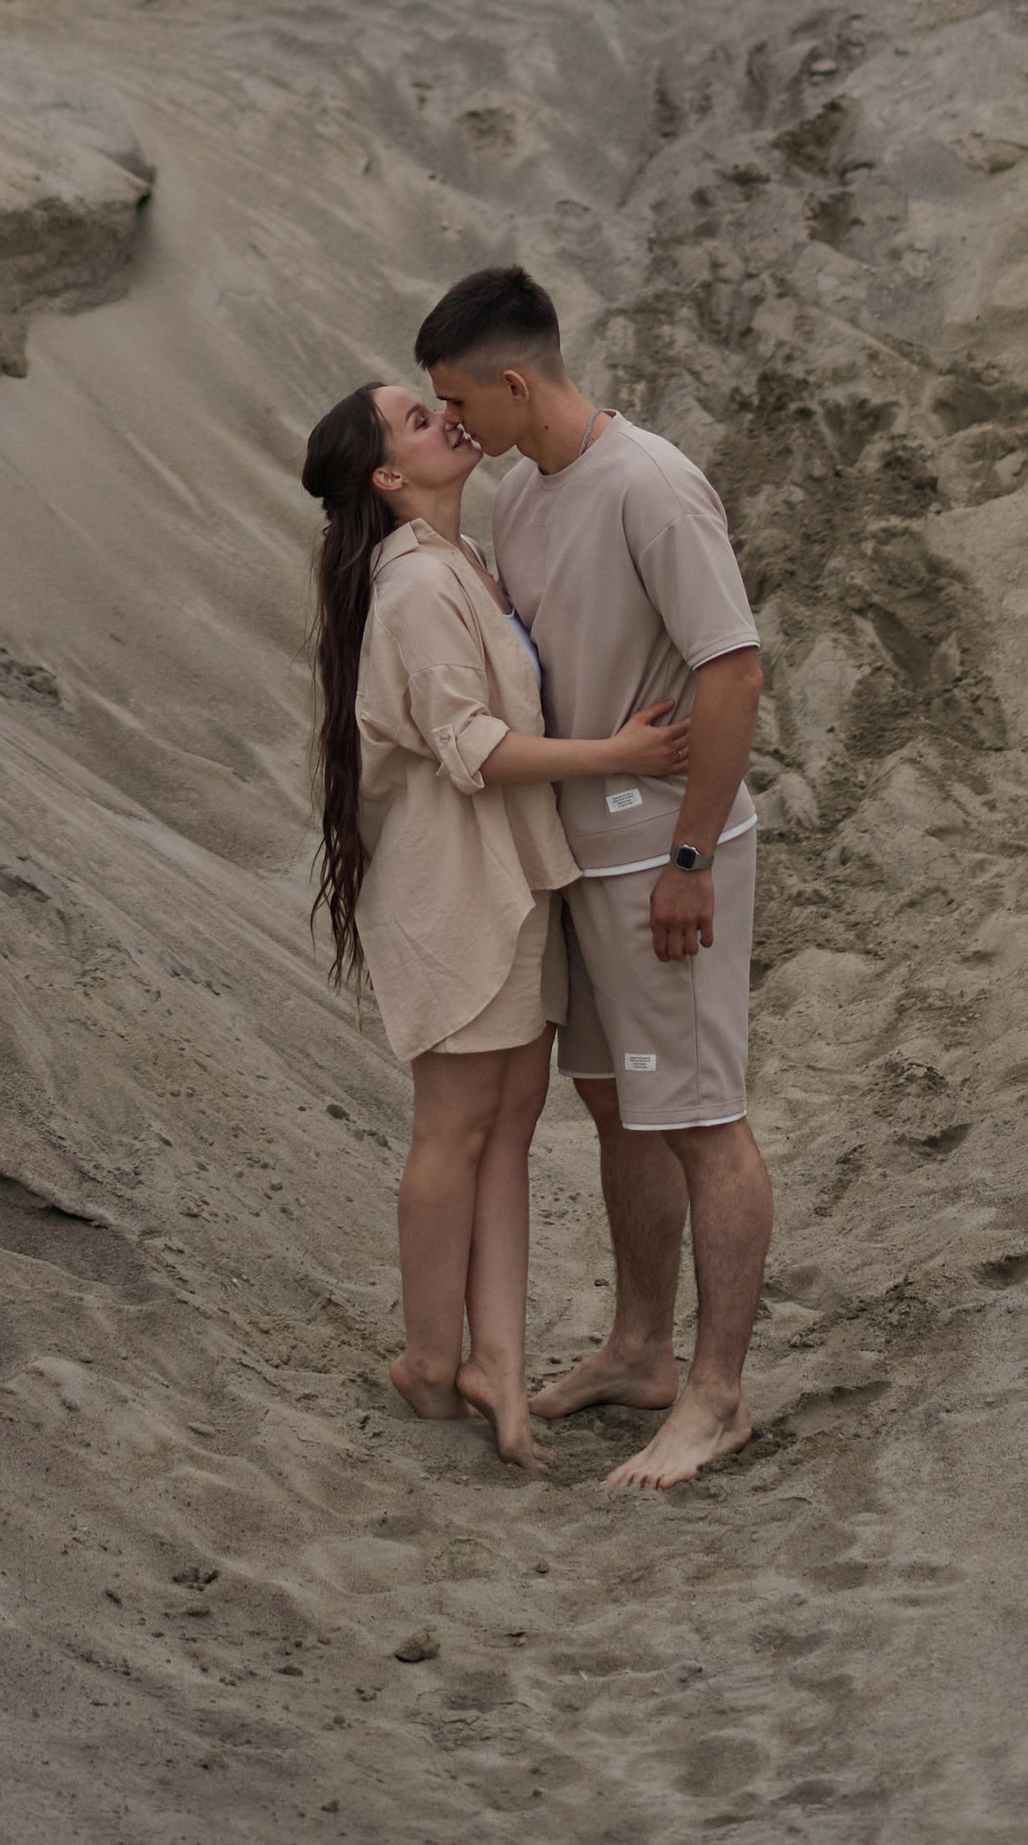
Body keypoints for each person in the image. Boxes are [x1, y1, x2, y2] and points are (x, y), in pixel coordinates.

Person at [416, 266, 772, 1495]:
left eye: (462, 404)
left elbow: (732, 670)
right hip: (579, 857)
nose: (456, 429)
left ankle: (717, 1399)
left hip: (665, 855)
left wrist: (689, 857)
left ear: (517, 382)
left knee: (702, 1119)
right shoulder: (520, 495)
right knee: (622, 1109)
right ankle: (640, 1351)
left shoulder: (652, 486)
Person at [302, 380, 693, 1467]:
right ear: (387, 476)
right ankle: (432, 1358)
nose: (443, 418)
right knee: (455, 1126)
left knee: (510, 1124)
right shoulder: (419, 586)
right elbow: (469, 745)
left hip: (509, 878)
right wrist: (615, 757)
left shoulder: (461, 561)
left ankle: (499, 1374)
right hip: (451, 891)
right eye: (417, 420)